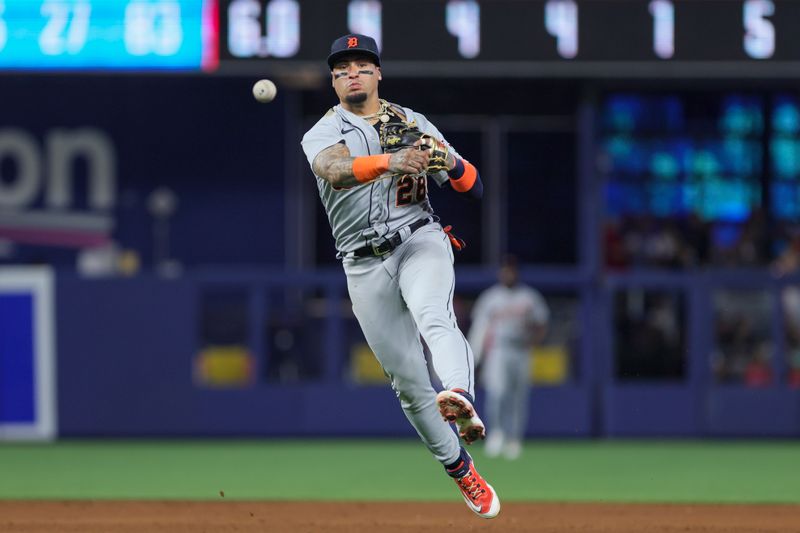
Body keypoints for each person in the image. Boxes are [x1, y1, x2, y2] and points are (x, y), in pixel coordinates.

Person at [301, 34, 498, 519]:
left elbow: (473, 187)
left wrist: (447, 161)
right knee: (408, 383)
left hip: (418, 238)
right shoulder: (320, 133)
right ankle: (461, 469)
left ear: (378, 74)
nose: (353, 73)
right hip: (362, 263)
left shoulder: (413, 122)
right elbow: (335, 170)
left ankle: (460, 395)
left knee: (435, 315)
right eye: (342, 67)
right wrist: (393, 160)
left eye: (362, 65)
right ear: (333, 79)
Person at [468, 255, 549, 460]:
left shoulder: (529, 297)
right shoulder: (490, 297)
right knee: (497, 393)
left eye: (511, 269)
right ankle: (496, 434)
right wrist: (476, 357)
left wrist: (533, 341)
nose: (508, 273)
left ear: (517, 272)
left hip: (521, 350)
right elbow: (479, 329)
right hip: (498, 350)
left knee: (518, 396)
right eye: (505, 269)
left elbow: (541, 324)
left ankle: (514, 438)